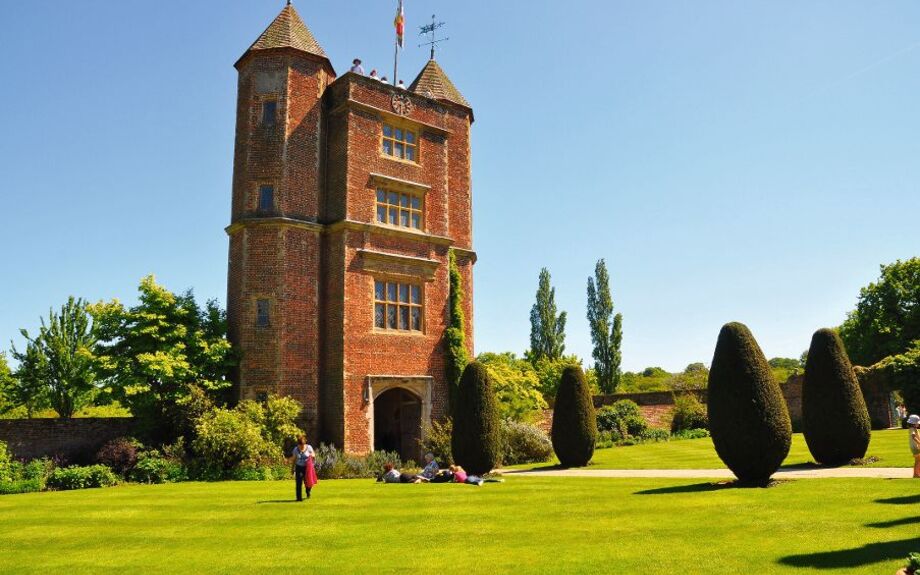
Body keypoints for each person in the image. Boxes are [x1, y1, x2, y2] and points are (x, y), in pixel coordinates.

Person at [286, 435, 318, 501]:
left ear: (305, 443)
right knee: (298, 482)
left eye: (303, 445)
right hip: (299, 467)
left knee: (308, 482)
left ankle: (308, 491)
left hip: (307, 468)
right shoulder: (295, 449)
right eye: (300, 445)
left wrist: (312, 456)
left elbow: (314, 455)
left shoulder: (309, 447)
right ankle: (299, 498)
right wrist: (292, 469)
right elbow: (294, 460)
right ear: (298, 444)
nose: (302, 446)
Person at [908, 414, 920, 479]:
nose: (918, 424)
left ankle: (917, 473)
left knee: (918, 460)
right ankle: (916, 474)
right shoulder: (912, 429)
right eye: (917, 423)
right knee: (918, 460)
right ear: (914, 423)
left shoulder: (914, 428)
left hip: (917, 447)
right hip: (915, 447)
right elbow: (913, 437)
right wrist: (919, 443)